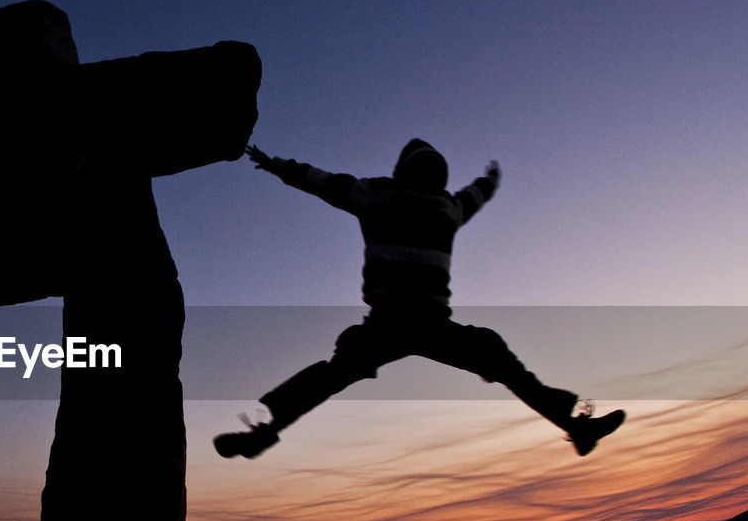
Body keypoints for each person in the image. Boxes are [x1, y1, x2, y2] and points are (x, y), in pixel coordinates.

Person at [214, 139, 624, 459]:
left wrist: (277, 166)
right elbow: (475, 195)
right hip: (429, 322)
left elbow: (322, 181)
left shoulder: (376, 194)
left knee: (331, 375)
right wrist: (490, 181)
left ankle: (264, 433)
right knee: (494, 355)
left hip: (389, 321)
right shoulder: (447, 205)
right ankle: (573, 426)